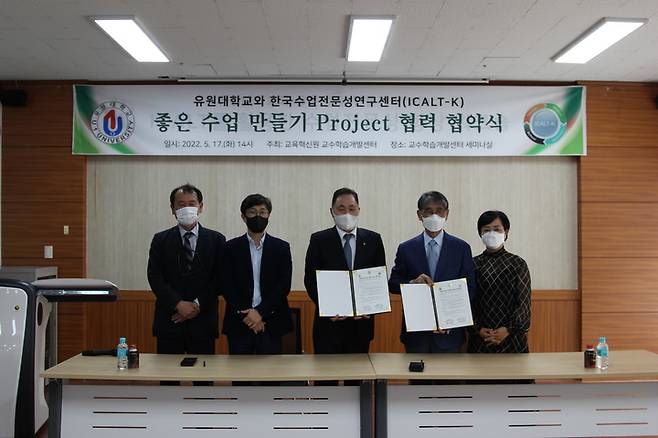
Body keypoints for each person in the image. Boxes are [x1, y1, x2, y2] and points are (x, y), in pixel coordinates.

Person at [147, 184, 225, 384]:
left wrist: (196, 305)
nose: (186, 208)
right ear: (172, 208)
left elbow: (220, 279)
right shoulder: (160, 240)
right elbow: (155, 277)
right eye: (181, 204)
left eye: (192, 203)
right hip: (169, 320)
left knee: (203, 382)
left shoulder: (217, 240)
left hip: (203, 321)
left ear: (201, 207)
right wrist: (178, 304)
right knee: (168, 381)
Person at [389, 191, 476, 354]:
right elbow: (393, 284)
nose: (434, 216)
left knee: (449, 372)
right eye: (428, 211)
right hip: (416, 333)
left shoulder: (461, 248)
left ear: (447, 214)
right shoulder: (406, 248)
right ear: (419, 214)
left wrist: (451, 319)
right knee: (416, 371)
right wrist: (412, 283)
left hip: (449, 333)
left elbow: (469, 288)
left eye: (439, 211)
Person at [304, 187, 386, 356]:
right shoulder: (319, 240)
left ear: (359, 210)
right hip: (329, 325)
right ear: (332, 211)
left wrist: (370, 307)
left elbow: (380, 278)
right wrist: (327, 308)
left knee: (358, 372)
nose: (347, 213)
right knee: (326, 373)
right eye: (341, 209)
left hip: (361, 326)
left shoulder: (373, 239)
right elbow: (310, 280)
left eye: (352, 208)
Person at [222, 194, 293, 357]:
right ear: (243, 216)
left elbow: (283, 286)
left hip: (272, 322)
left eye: (262, 212)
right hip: (239, 322)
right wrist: (248, 314)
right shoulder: (230, 248)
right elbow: (226, 284)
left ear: (269, 216)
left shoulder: (281, 248)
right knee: (239, 372)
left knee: (271, 371)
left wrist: (260, 312)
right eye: (252, 212)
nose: (258, 216)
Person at [468, 210, 531, 354]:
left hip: (513, 339)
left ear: (506, 232)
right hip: (480, 339)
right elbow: (466, 301)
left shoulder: (518, 264)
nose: (492, 233)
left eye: (497, 229)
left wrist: (508, 330)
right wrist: (477, 329)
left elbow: (523, 305)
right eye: (486, 230)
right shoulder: (472, 264)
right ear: (480, 233)